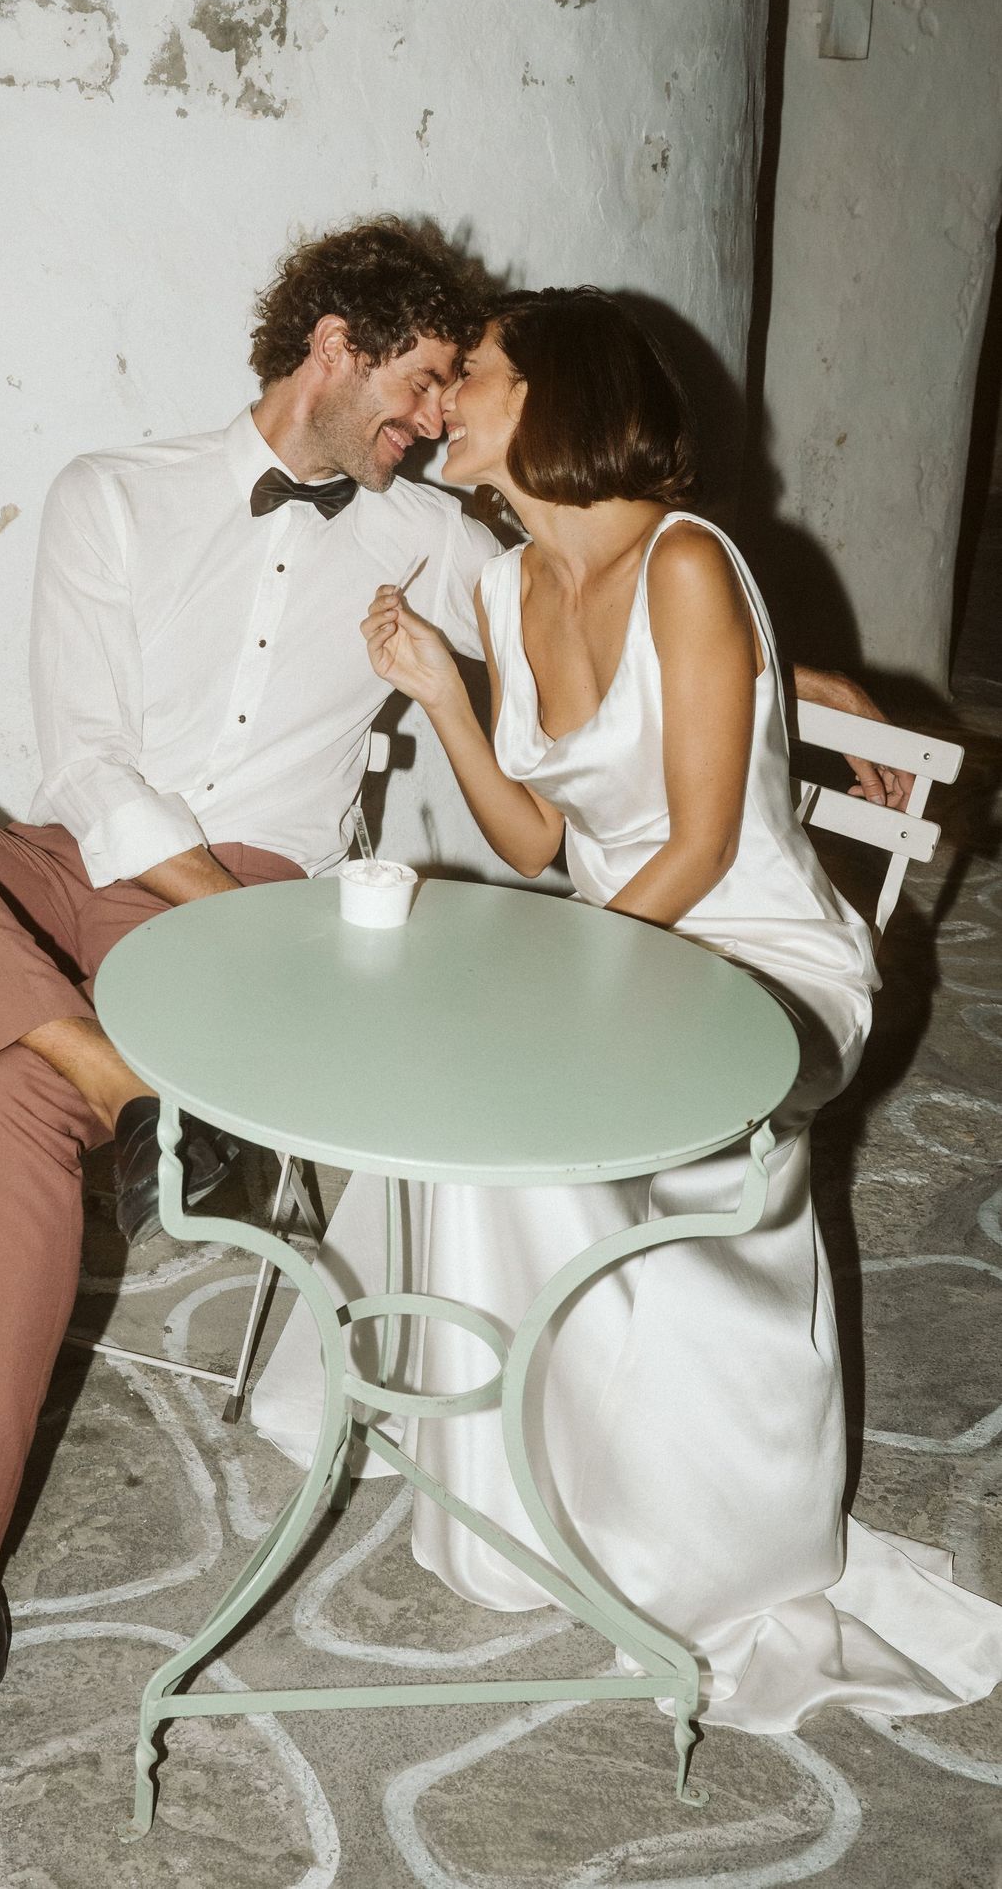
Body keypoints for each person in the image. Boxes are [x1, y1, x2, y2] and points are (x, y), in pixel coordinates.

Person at [0, 232, 907, 1841]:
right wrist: (105, 954)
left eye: (462, 388)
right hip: (85, 860)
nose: (435, 421)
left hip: (247, 901)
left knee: (4, 1107)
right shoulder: (115, 493)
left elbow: (645, 605)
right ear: (335, 346)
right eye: (423, 381)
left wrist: (813, 681)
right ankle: (92, 1049)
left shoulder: (437, 535)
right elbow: (86, 760)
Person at [253, 287, 1002, 1731]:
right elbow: (539, 841)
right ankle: (512, 1477)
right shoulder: (505, 588)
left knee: (520, 1078)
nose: (445, 401)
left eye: (475, 373)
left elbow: (707, 846)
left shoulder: (688, 564)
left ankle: (675, 1509)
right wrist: (446, 696)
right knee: (450, 1082)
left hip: (759, 956)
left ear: (558, 396)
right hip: (618, 940)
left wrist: (568, 978)